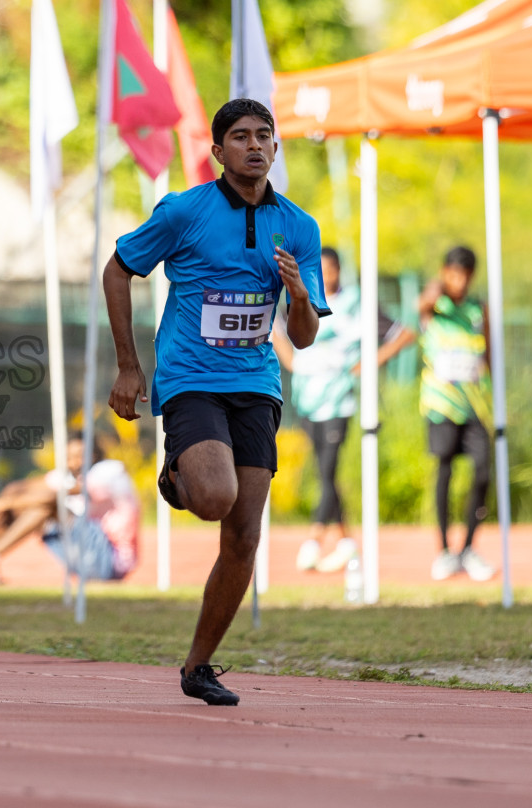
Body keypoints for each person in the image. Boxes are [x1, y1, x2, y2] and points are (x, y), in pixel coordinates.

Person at [103, 98, 329, 706]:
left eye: (264, 136)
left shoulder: (299, 228)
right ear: (218, 150)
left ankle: (199, 667)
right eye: (240, 137)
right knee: (214, 497)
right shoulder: (184, 212)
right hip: (191, 378)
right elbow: (117, 269)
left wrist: (300, 297)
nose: (254, 146)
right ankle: (179, 475)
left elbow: (304, 337)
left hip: (256, 385)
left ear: (276, 148)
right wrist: (129, 365)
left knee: (244, 535)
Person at [272, 247, 414, 573]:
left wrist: (371, 363)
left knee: (328, 468)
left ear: (338, 270)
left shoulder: (357, 303)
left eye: (329, 269)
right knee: (325, 471)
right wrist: (291, 361)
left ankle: (314, 538)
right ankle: (347, 541)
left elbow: (403, 334)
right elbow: (273, 327)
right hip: (309, 399)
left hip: (340, 399)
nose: (323, 276)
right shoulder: (298, 299)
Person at [0, 434, 140, 587]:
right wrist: (6, 501)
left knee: (48, 506)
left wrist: (4, 504)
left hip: (109, 560)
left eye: (80, 455)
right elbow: (18, 488)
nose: (74, 461)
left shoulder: (109, 470)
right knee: (28, 504)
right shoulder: (66, 475)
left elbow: (54, 496)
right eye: (70, 455)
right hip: (80, 555)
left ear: (94, 455)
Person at [417, 246, 496, 582]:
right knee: (445, 472)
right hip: (441, 404)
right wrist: (435, 289)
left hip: (474, 403)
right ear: (445, 271)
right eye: (453, 274)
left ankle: (468, 547)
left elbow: (488, 350)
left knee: (482, 470)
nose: (459, 281)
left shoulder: (478, 309)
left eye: (464, 275)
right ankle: (445, 550)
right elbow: (420, 308)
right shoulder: (436, 306)